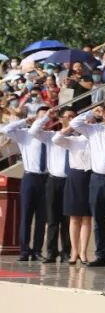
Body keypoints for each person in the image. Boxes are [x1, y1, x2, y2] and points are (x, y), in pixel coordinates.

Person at [70, 102, 105, 267]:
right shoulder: (94, 130)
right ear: (103, 114)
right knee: (98, 219)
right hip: (97, 179)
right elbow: (74, 123)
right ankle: (100, 255)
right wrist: (90, 113)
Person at [1, 108, 49, 260]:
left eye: (46, 118)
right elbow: (5, 129)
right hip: (30, 177)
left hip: (46, 179)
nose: (44, 121)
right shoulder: (25, 134)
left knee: (42, 217)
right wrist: (25, 121)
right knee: (26, 216)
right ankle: (24, 251)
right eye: (41, 117)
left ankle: (37, 251)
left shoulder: (50, 136)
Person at [30, 107, 73, 262]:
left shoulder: (80, 137)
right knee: (52, 219)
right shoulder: (51, 136)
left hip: (71, 182)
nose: (70, 119)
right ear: (60, 119)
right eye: (67, 116)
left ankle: (66, 252)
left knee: (68, 220)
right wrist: (47, 117)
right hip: (53, 181)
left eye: (73, 116)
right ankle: (51, 252)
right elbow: (33, 131)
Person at [50, 121, 93, 264]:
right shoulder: (74, 140)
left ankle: (83, 252)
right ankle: (74, 251)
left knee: (87, 217)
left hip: (92, 177)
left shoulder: (96, 139)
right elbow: (56, 139)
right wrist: (70, 126)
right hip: (75, 177)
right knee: (74, 217)